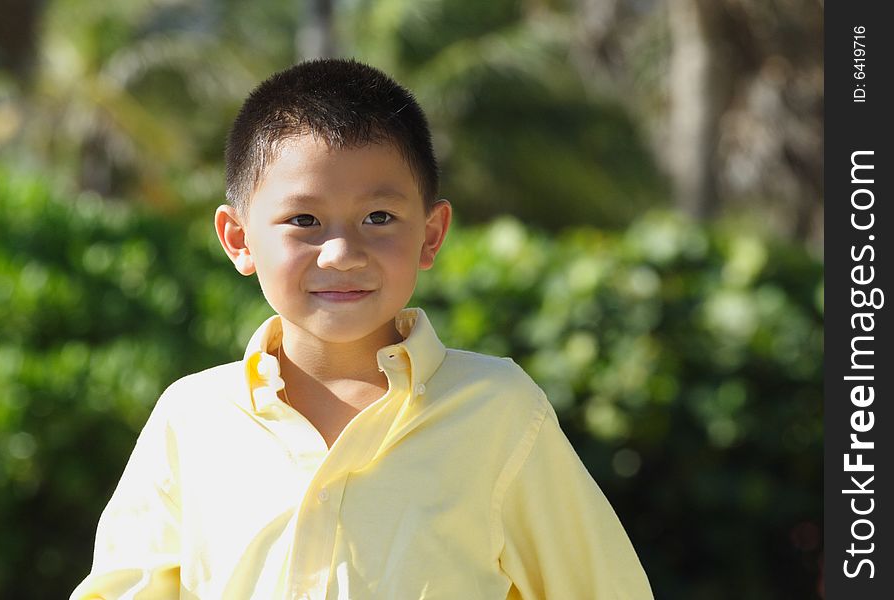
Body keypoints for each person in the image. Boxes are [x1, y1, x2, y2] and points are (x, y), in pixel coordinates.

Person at [71, 58, 653, 600]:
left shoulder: (499, 411)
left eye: (380, 217)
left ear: (430, 234)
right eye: (304, 220)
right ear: (239, 238)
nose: (342, 253)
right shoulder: (191, 419)